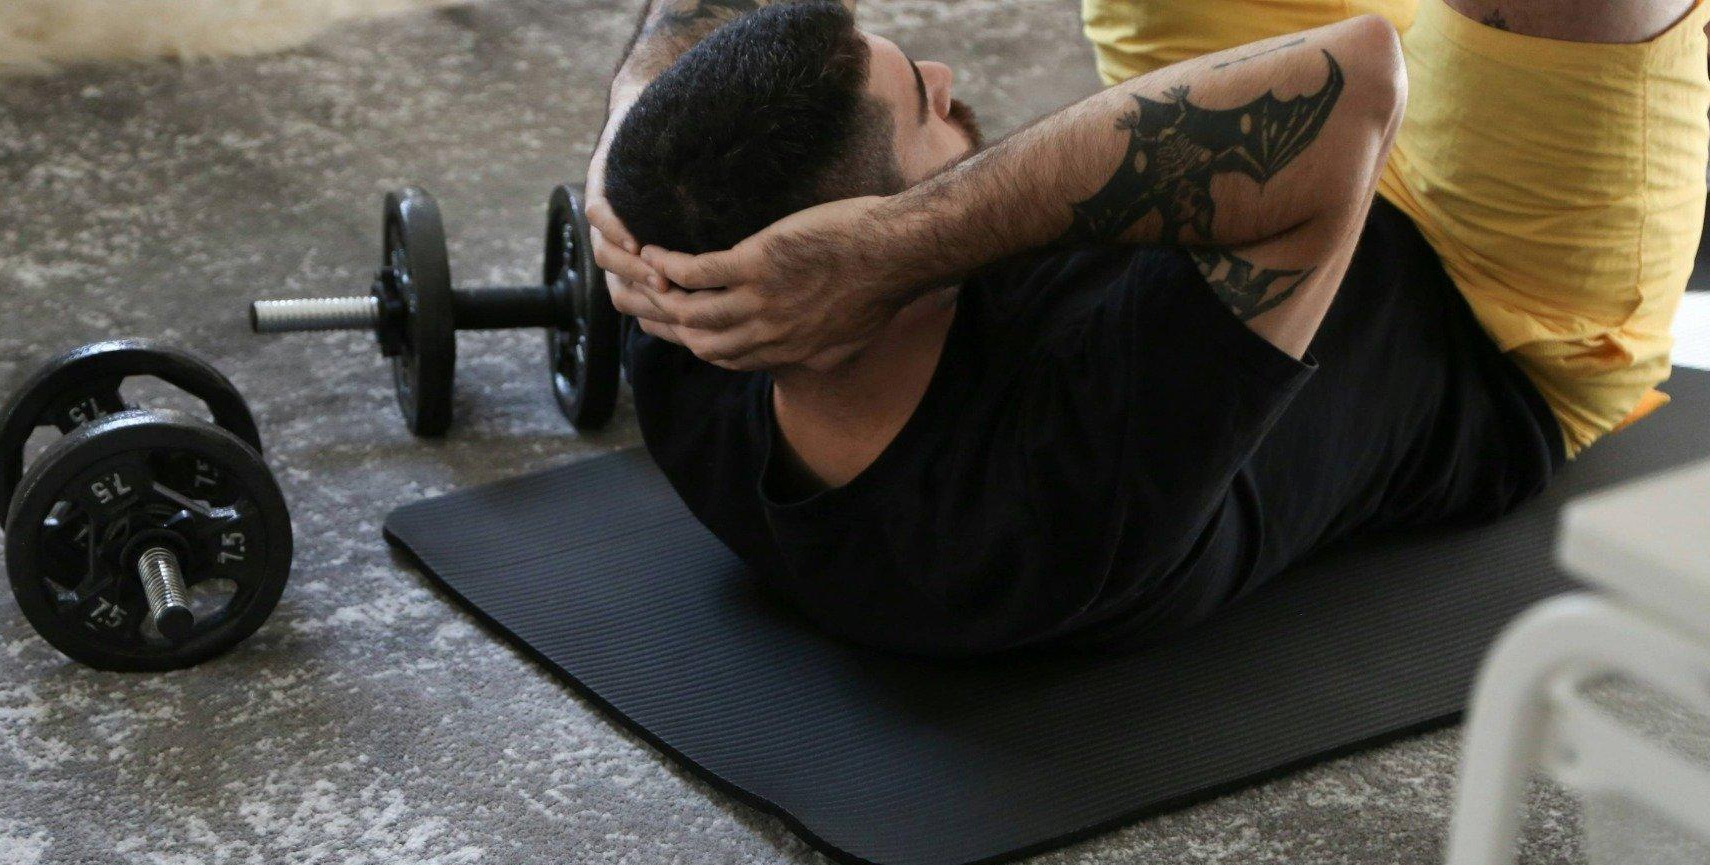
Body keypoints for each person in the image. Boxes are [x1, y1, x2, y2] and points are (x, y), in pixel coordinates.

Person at [582, 0, 1709, 656]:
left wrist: (626, 148)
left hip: (1217, 161)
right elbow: (1356, 79)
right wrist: (898, 243)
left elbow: (696, 22)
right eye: (919, 105)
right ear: (871, 270)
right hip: (1480, 302)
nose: (943, 72)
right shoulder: (1044, 503)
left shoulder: (702, 336)